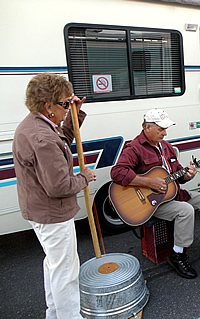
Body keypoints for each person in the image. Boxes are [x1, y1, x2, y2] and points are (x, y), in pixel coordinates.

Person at [110, 108, 200, 279]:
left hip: (170, 195)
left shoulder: (166, 147)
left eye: (165, 129)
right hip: (149, 203)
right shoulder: (134, 148)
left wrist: (188, 175)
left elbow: (176, 175)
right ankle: (178, 255)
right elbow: (117, 173)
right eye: (161, 129)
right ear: (147, 127)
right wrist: (148, 182)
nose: (165, 133)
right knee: (185, 210)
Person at [12, 73, 96, 319]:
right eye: (63, 104)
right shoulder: (42, 137)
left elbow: (64, 138)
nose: (67, 108)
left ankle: (54, 313)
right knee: (66, 273)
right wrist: (84, 178)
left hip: (40, 210)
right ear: (48, 106)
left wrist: (74, 115)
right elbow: (58, 186)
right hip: (51, 213)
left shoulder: (37, 124)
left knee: (55, 264)